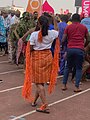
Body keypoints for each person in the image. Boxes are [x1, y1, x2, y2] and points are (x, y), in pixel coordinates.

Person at [22, 15, 59, 113]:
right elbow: (57, 30)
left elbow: (30, 48)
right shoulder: (52, 33)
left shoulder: (34, 34)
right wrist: (54, 19)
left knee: (38, 83)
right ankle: (34, 101)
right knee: (41, 82)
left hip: (37, 58)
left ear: (38, 23)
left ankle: (45, 105)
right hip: (48, 57)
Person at [61, 13, 89, 92]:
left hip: (70, 48)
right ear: (79, 19)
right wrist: (84, 45)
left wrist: (63, 46)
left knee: (67, 67)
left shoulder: (68, 27)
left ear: (72, 19)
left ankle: (64, 85)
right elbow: (88, 38)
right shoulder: (84, 27)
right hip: (79, 49)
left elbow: (63, 39)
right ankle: (76, 87)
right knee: (78, 68)